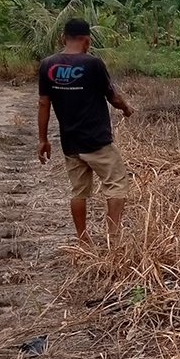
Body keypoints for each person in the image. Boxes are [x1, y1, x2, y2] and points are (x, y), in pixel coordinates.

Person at [37, 18, 134, 246]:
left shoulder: (47, 64)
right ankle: (113, 238)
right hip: (97, 140)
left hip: (70, 142)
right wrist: (126, 109)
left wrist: (42, 139)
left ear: (63, 38)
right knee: (116, 183)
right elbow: (113, 97)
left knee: (78, 191)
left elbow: (43, 104)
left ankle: (83, 239)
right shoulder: (93, 64)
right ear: (88, 40)